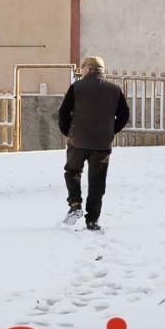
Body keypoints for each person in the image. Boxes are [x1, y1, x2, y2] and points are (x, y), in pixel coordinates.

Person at [57, 56, 130, 231]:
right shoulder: (114, 89)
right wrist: (111, 131)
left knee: (72, 171)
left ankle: (75, 204)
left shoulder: (77, 87)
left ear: (88, 69)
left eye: (82, 68)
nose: (81, 71)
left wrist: (69, 132)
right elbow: (124, 115)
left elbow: (63, 112)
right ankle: (92, 220)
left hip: (78, 141)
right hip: (102, 144)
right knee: (97, 181)